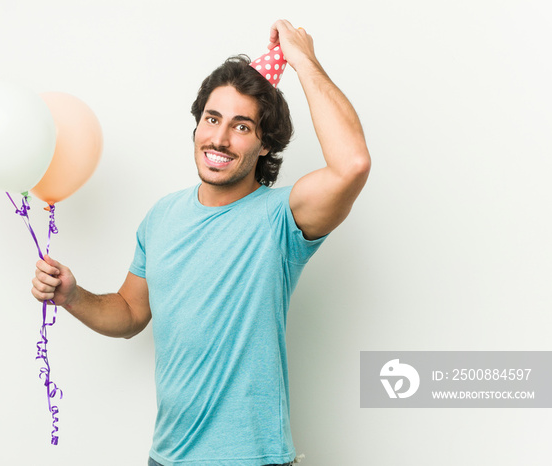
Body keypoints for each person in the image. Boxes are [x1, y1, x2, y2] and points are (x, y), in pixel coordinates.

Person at [31, 19, 370, 466]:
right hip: (167, 457)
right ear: (197, 125)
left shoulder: (283, 217)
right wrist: (73, 296)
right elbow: (131, 312)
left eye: (242, 126)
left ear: (265, 144)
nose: (220, 138)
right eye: (212, 119)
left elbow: (352, 164)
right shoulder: (162, 217)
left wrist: (302, 58)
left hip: (254, 459)